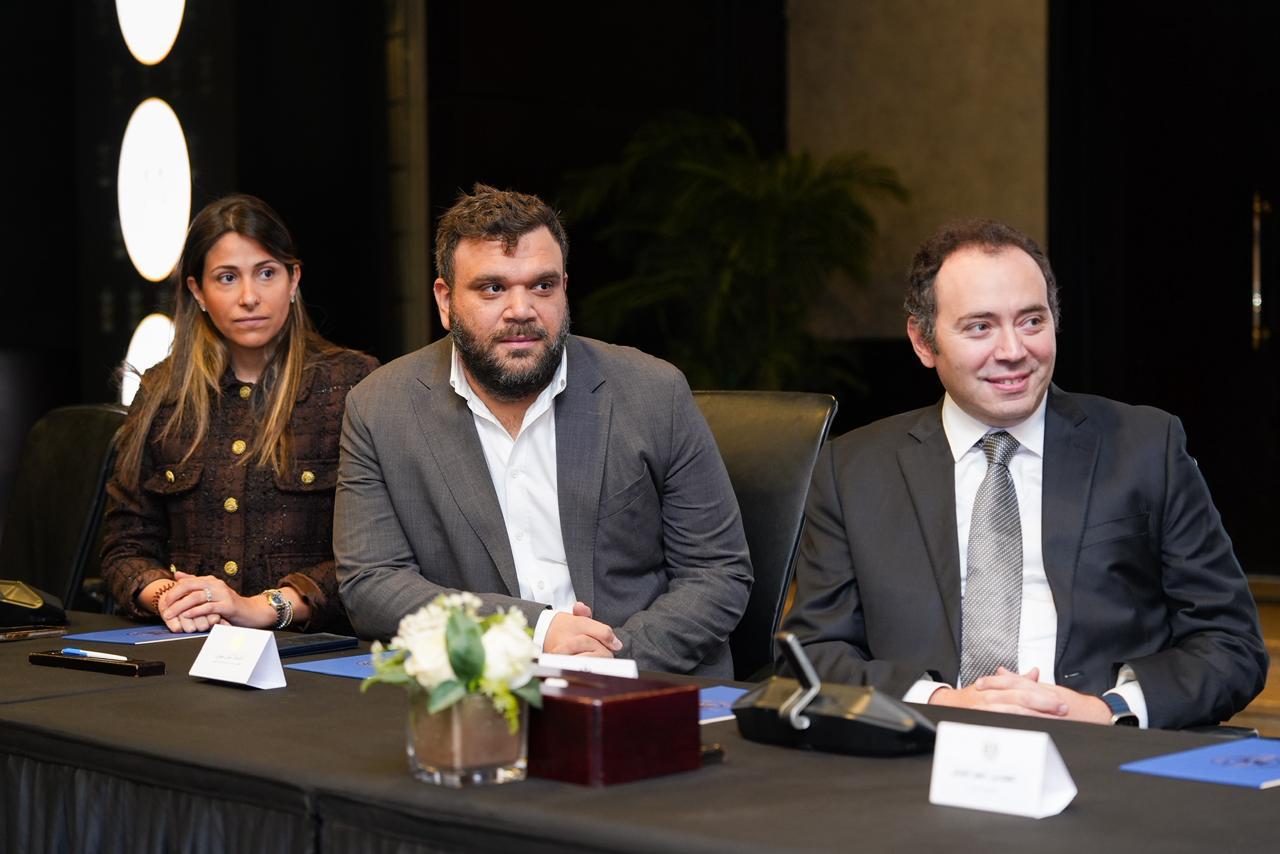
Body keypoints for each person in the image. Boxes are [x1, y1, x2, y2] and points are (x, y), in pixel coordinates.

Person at [780, 219, 1267, 729]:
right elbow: (813, 651)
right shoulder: (853, 470)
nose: (1013, 351)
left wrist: (1108, 711)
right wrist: (939, 701)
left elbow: (1230, 643)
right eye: (980, 327)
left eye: (1032, 321)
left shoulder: (1146, 447)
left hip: (1098, 748)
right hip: (920, 749)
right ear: (923, 342)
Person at [334, 184, 752, 676]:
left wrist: (615, 656)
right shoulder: (380, 407)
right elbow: (372, 584)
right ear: (445, 301)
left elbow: (717, 571)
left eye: (542, 286)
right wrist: (536, 630)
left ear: (565, 289)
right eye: (492, 288)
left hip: (643, 679)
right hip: (479, 686)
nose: (521, 310)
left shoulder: (653, 392)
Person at [102, 194, 378, 633]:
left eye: (266, 273)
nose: (249, 297)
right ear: (198, 291)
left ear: (293, 279)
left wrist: (263, 607)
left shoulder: (352, 385)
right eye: (227, 278)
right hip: (188, 640)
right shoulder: (162, 392)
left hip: (309, 650)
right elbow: (125, 545)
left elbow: (375, 556)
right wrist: (169, 597)